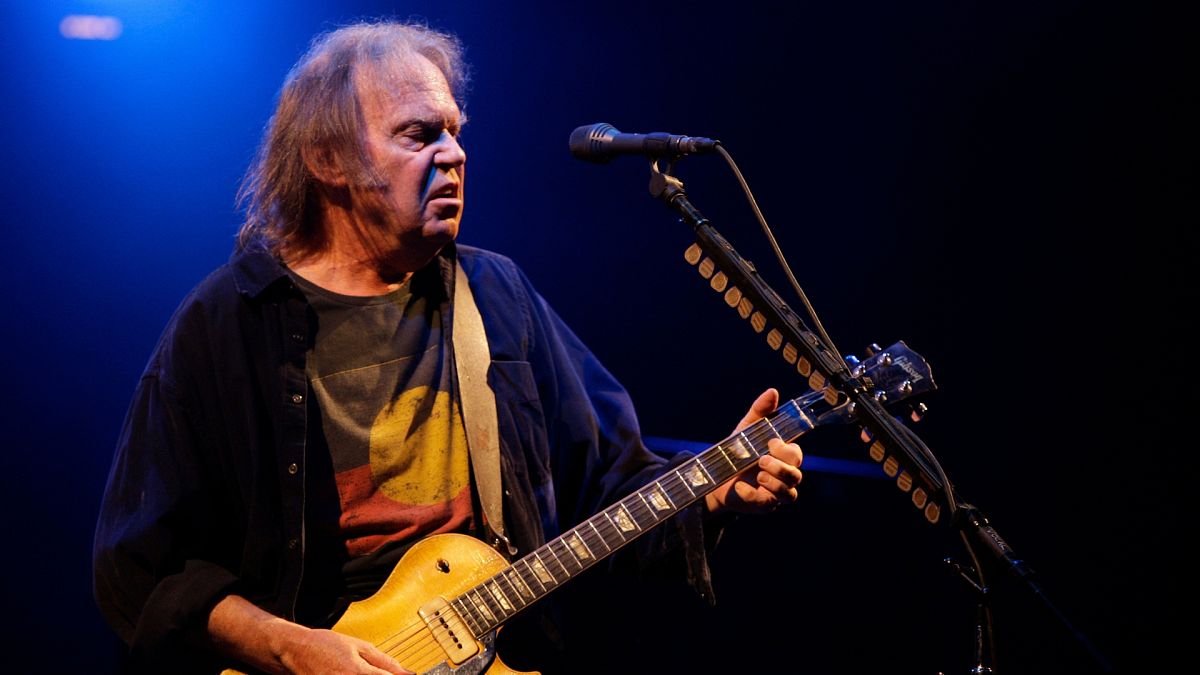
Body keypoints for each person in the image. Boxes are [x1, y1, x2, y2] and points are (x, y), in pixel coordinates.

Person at [92, 20, 803, 675]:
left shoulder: (495, 295)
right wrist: (291, 646)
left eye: (457, 132)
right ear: (327, 158)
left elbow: (610, 482)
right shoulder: (227, 324)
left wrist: (712, 492)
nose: (455, 154)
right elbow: (142, 570)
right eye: (418, 133)